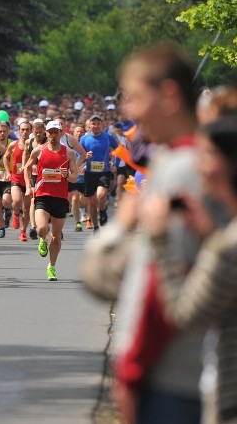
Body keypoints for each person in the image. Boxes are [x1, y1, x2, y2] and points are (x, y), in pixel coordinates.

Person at [81, 45, 212, 424]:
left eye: (135, 97)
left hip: (173, 378)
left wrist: (133, 372)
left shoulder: (183, 171)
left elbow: (162, 288)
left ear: (169, 95)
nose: (128, 111)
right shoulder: (173, 162)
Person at [143, 116, 237, 424]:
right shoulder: (224, 240)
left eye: (206, 155)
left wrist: (160, 239)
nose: (197, 166)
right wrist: (209, 236)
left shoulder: (228, 247)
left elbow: (185, 315)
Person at [23, 120, 78, 281]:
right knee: (41, 228)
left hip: (60, 198)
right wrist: (28, 186)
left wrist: (67, 175)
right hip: (42, 195)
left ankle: (51, 266)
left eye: (56, 132)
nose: (53, 135)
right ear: (46, 133)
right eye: (50, 132)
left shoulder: (69, 153)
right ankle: (42, 239)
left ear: (61, 133)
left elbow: (75, 176)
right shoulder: (39, 150)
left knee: (56, 236)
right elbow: (26, 167)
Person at [79, 114, 118, 231]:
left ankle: (102, 210)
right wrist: (84, 160)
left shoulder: (107, 137)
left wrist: (114, 163)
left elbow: (119, 149)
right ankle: (96, 227)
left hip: (104, 171)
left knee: (101, 195)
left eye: (98, 124)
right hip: (90, 173)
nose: (96, 126)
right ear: (89, 125)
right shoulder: (84, 139)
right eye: (93, 124)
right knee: (91, 202)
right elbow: (80, 155)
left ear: (102, 125)